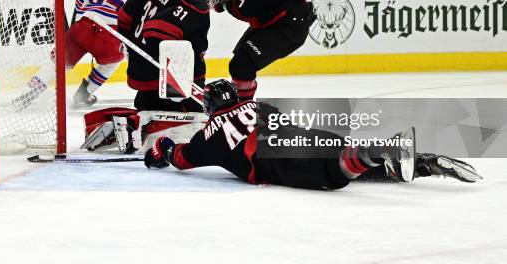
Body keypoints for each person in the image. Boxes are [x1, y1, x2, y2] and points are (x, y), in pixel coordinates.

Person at [143, 79, 482, 190]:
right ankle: (422, 163)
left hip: (270, 158)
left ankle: (376, 151)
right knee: (339, 156)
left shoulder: (206, 138)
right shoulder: (258, 106)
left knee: (333, 175)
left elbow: (180, 158)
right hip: (303, 133)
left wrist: (162, 147)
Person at [12, 0, 157, 111]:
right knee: (114, 60)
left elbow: (80, 0)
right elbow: (138, 22)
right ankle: (84, 93)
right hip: (108, 37)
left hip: (82, 27)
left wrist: (75, 28)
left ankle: (26, 93)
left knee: (59, 63)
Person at [117, 0, 228, 112]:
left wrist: (130, 47)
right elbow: (159, 34)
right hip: (157, 76)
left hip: (136, 68)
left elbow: (125, 14)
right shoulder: (197, 3)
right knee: (195, 61)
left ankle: (146, 99)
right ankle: (188, 106)